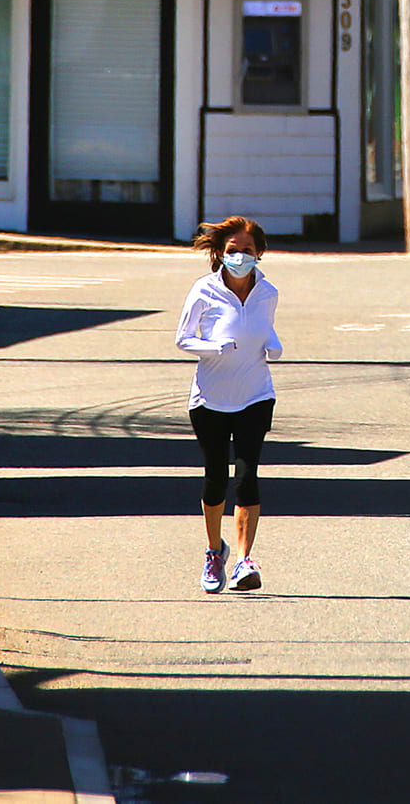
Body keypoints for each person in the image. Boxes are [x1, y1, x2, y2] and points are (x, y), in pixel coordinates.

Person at [176, 216, 282, 593]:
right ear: (220, 254)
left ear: (260, 254)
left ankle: (243, 560)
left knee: (247, 476)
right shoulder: (204, 290)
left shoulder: (267, 292)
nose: (239, 257)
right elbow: (183, 338)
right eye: (233, 251)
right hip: (210, 398)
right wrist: (211, 348)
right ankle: (213, 551)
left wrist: (273, 341)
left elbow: (261, 326)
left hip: (255, 395)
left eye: (247, 251)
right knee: (216, 478)